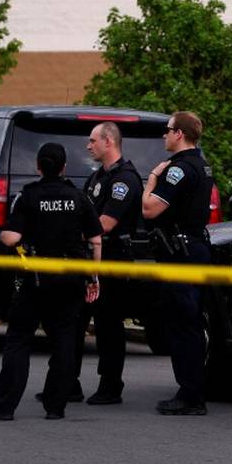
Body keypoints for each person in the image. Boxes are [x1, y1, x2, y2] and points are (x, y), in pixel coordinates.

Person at [0, 143, 102, 421]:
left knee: (18, 341)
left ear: (38, 166)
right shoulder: (79, 197)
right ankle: (55, 406)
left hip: (35, 280)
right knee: (65, 341)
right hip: (70, 279)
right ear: (63, 167)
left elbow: (10, 238)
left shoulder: (29, 196)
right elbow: (95, 240)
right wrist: (92, 278)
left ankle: (3, 407)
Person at [142, 111, 214, 416]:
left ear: (180, 134)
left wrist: (152, 180)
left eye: (167, 130)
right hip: (195, 249)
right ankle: (193, 390)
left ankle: (190, 396)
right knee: (193, 324)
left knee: (182, 325)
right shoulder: (203, 164)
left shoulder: (178, 170)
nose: (164, 135)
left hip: (180, 253)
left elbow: (149, 209)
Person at [77, 121, 144, 405]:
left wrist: (69, 233)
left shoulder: (125, 180)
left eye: (93, 140)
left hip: (113, 259)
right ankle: (68, 381)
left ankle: (110, 384)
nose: (88, 145)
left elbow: (105, 223)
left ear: (109, 142)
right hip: (89, 259)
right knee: (76, 320)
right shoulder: (96, 179)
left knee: (108, 323)